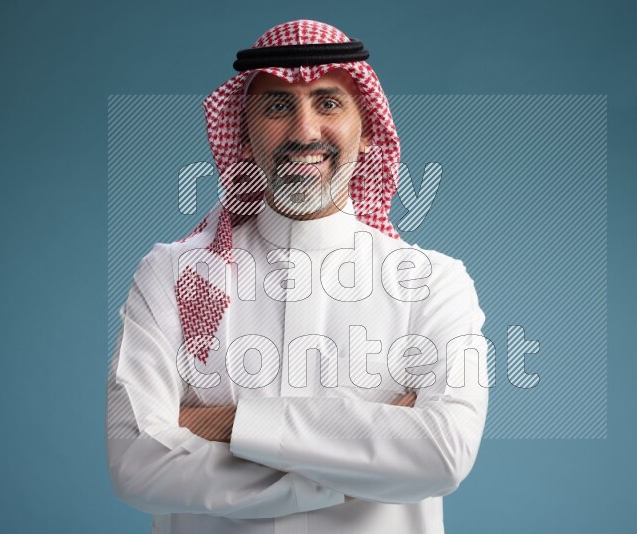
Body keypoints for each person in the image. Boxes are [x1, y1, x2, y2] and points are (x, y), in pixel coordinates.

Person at [105, 19, 489, 534]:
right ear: (242, 133)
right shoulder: (171, 274)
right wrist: (346, 474)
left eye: (328, 102)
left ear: (368, 128)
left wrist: (221, 423)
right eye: (277, 106)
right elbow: (137, 464)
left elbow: (443, 453)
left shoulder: (435, 284)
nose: (305, 131)